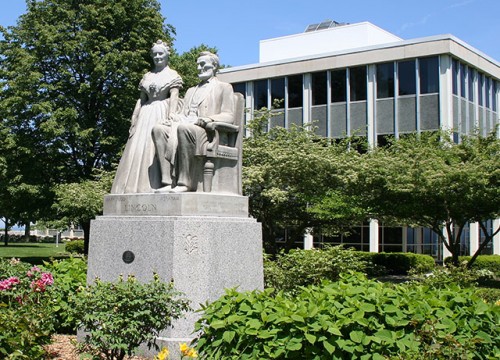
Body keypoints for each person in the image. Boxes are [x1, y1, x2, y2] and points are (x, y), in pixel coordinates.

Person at [155, 51, 235, 193]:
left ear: (214, 66)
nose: (199, 68)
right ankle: (167, 181)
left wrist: (209, 119)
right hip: (187, 125)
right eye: (197, 64)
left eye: (203, 64)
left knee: (184, 129)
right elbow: (184, 114)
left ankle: (185, 183)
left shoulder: (224, 87)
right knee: (158, 130)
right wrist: (174, 119)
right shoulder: (191, 90)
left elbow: (229, 115)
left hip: (208, 130)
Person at [111, 40, 183, 194]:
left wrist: (171, 116)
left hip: (161, 111)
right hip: (145, 113)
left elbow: (174, 98)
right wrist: (135, 117)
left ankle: (159, 183)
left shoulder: (173, 75)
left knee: (155, 146)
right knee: (136, 148)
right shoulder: (147, 76)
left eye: (160, 53)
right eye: (155, 54)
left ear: (167, 55)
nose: (157, 56)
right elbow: (141, 99)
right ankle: (132, 187)